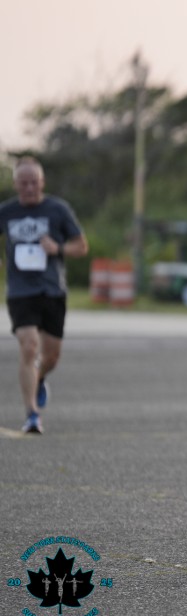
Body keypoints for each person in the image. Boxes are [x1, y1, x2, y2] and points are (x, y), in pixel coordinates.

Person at [0, 157, 89, 434]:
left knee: (51, 356)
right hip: (20, 291)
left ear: (42, 183)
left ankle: (39, 379)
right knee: (29, 346)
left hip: (52, 290)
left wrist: (58, 248)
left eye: (34, 183)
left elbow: (81, 246)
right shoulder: (6, 212)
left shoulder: (57, 210)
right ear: (15, 184)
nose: (29, 188)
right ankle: (32, 415)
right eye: (23, 183)